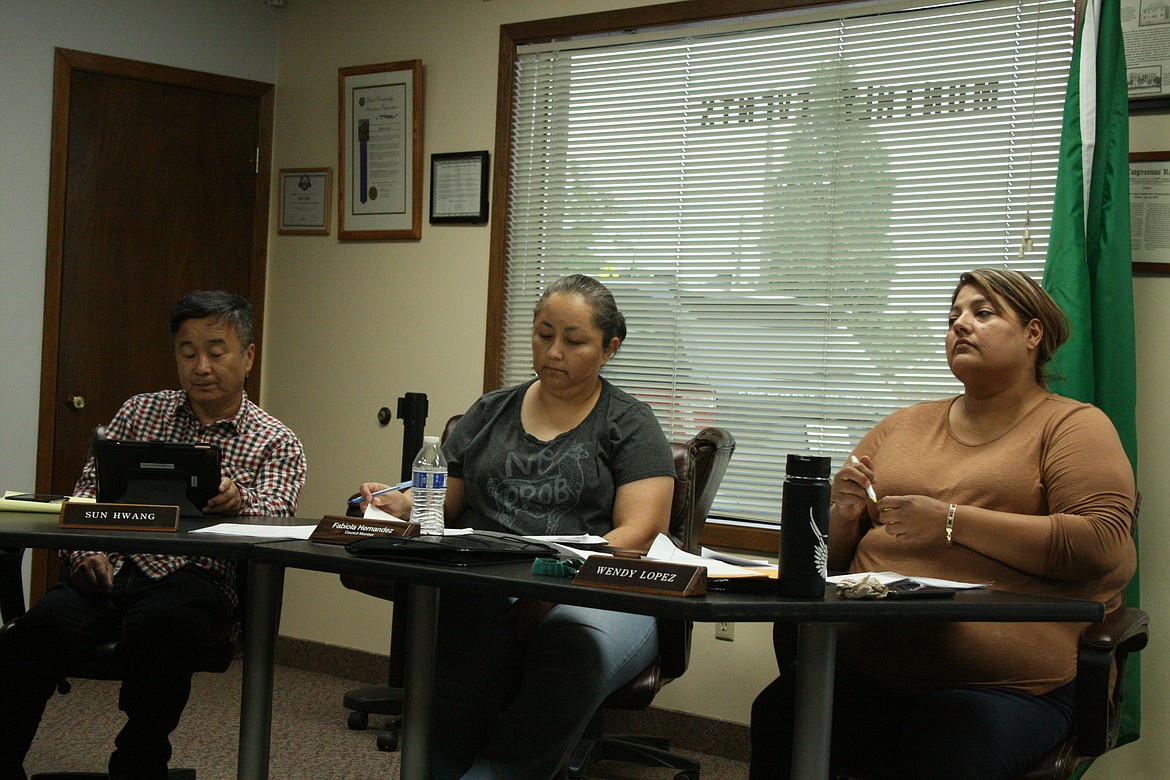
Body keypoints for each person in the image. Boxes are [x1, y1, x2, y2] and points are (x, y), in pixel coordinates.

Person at [749, 268, 1137, 780]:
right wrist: (841, 515)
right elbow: (826, 562)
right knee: (780, 711)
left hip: (1009, 688)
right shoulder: (902, 425)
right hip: (865, 669)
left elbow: (1100, 544)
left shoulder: (1072, 426)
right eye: (953, 315)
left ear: (1033, 335)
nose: (959, 326)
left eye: (982, 313)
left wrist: (952, 522)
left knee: (945, 737)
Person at [355, 274, 676, 779]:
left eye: (573, 341)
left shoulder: (630, 423)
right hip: (488, 586)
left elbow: (641, 532)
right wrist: (400, 505)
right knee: (463, 650)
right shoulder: (489, 412)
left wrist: (552, 580)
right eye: (543, 333)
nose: (553, 351)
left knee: (572, 647)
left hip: (595, 593)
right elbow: (443, 504)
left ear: (609, 348)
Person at [0, 291, 306, 780]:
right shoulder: (140, 412)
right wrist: (88, 553)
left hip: (195, 582)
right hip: (112, 572)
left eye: (216, 351)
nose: (201, 366)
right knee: (33, 633)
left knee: (163, 625)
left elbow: (278, 517)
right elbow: (86, 497)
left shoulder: (275, 439)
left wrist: (240, 500)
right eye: (188, 354)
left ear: (247, 356)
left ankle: (139, 761)